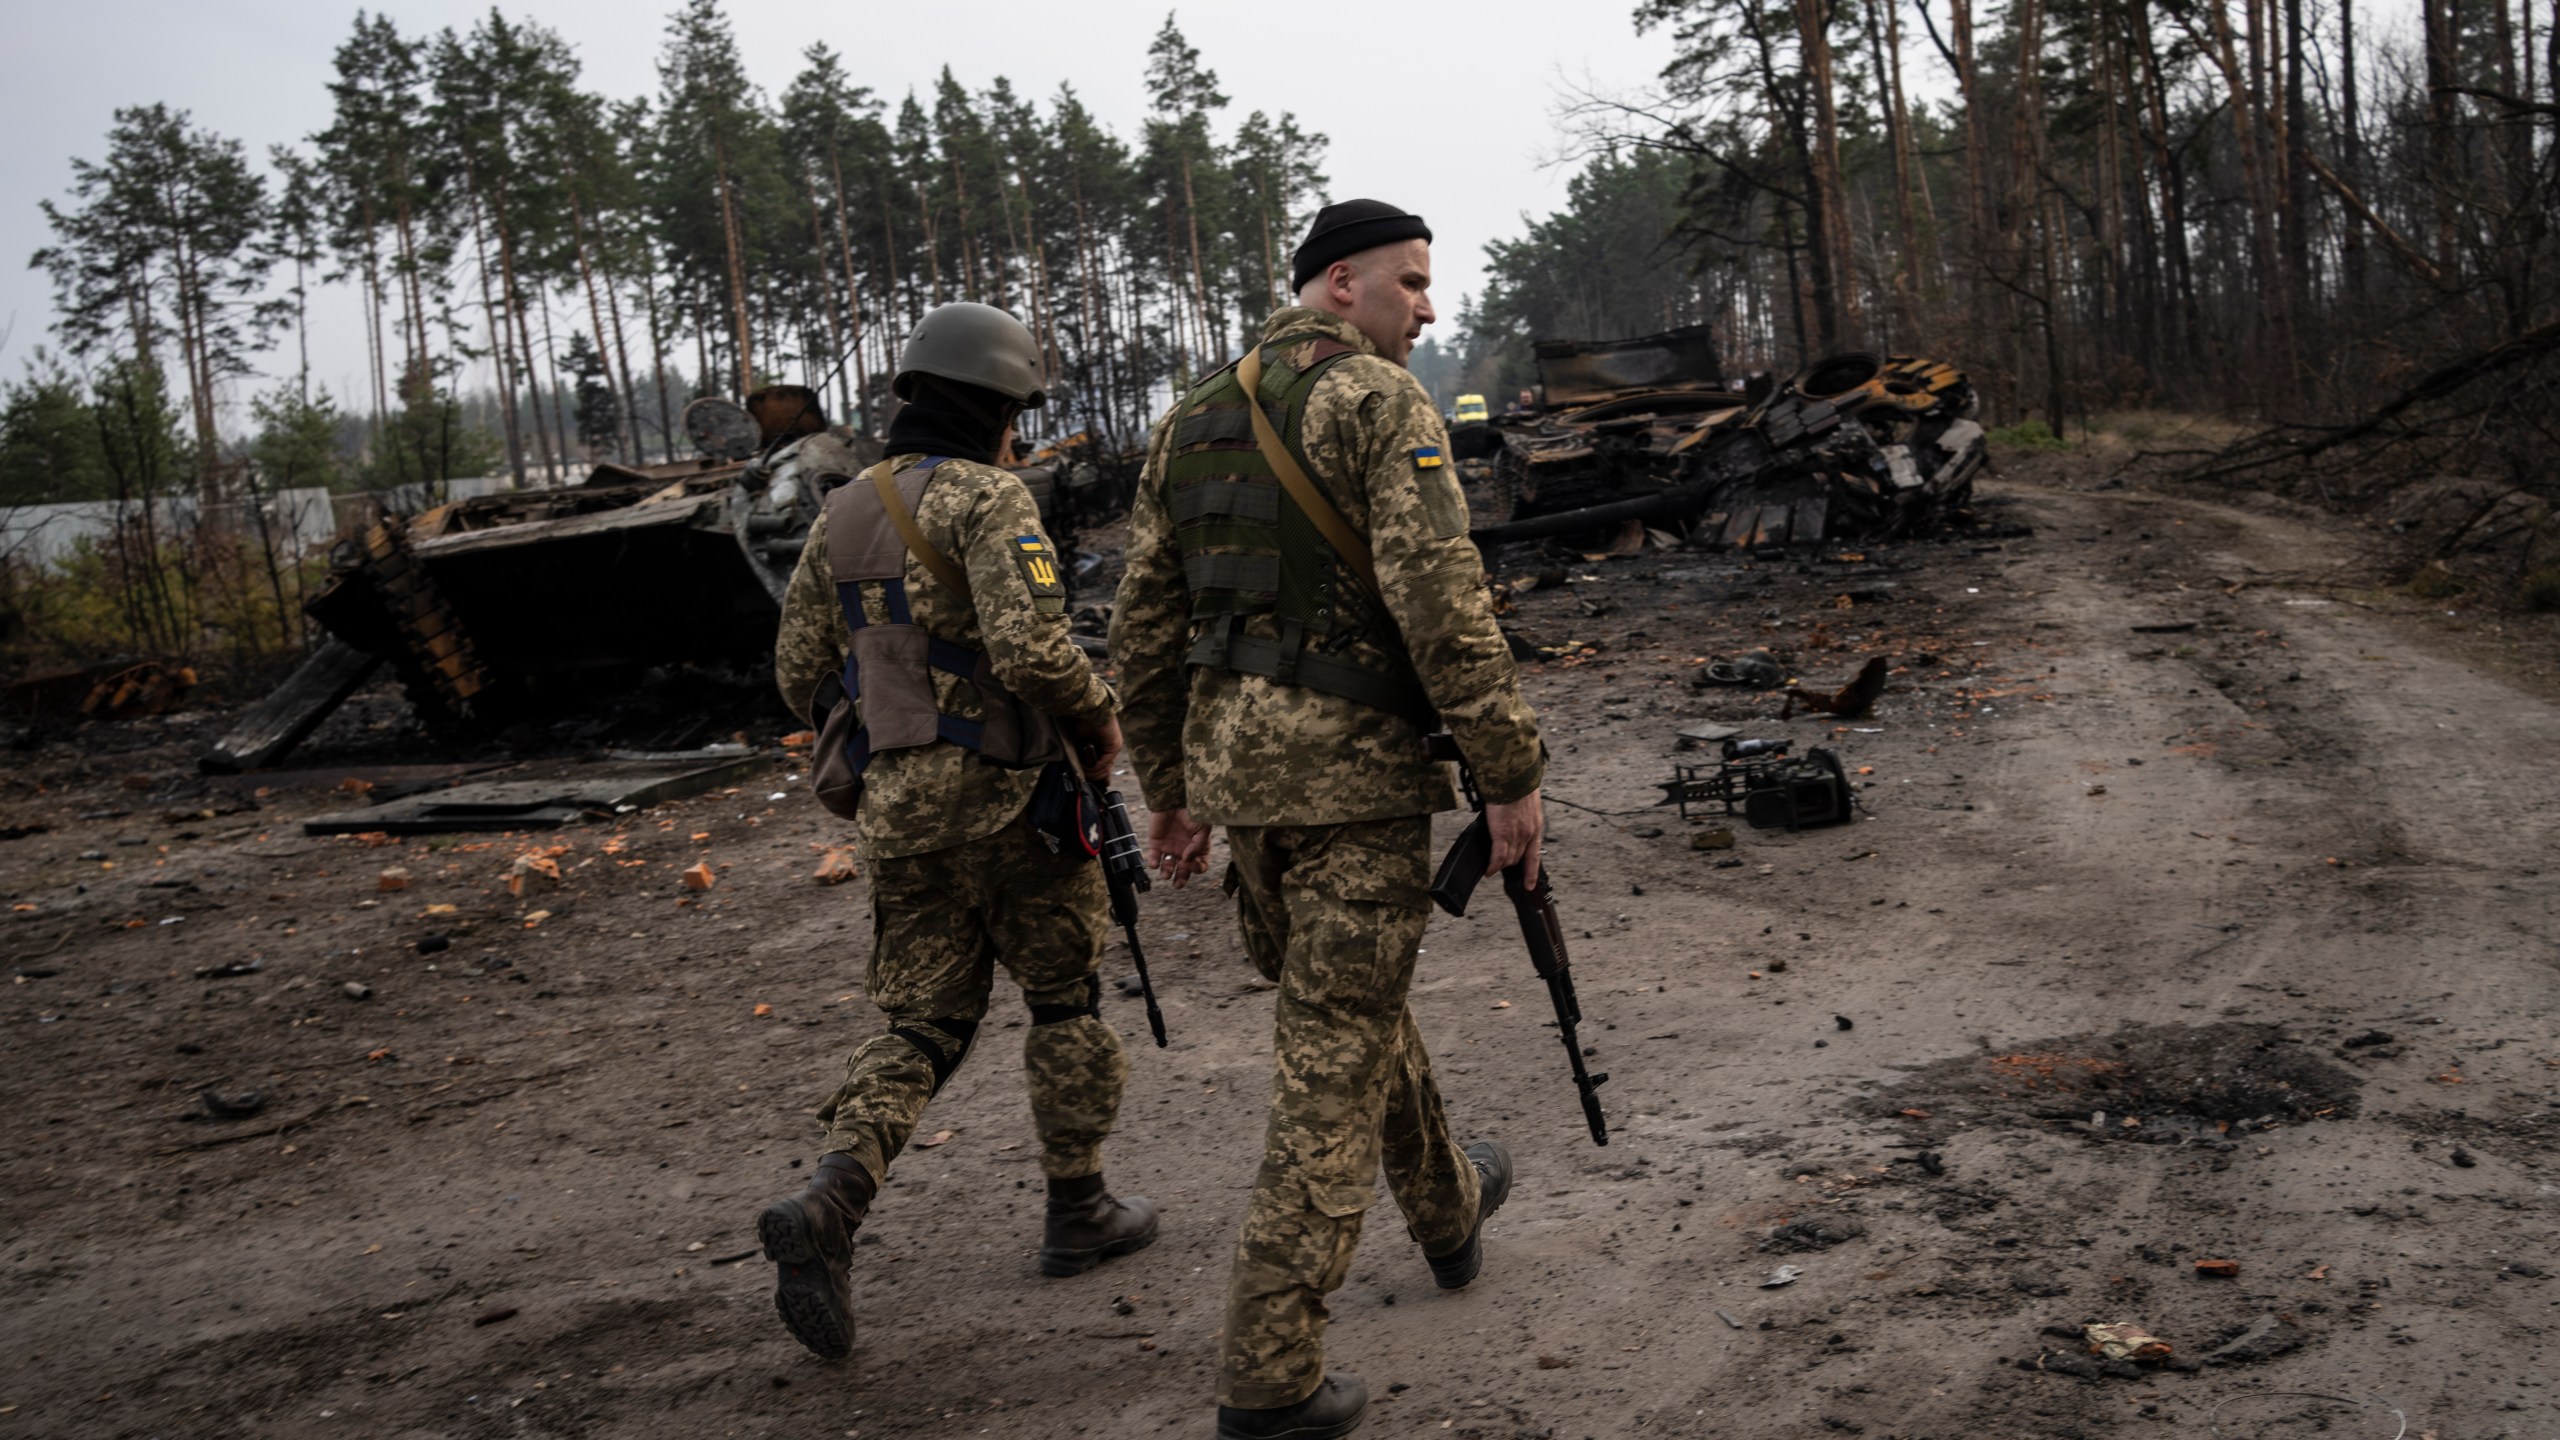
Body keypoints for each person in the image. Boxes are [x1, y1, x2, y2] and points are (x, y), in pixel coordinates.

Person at [1111, 199, 1547, 1440]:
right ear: (1339, 285)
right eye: (1411, 283)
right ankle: (1270, 1370)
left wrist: (1172, 790)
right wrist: (1508, 768)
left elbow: (1142, 624)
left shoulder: (1189, 416)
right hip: (1351, 788)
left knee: (1343, 1020)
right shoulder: (1374, 403)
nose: (1428, 306)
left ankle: (1451, 1210)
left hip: (1246, 794)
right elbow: (1442, 601)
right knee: (1329, 1072)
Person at [758, 301, 1158, 1362]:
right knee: (1065, 1001)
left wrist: (894, 715)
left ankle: (831, 1203)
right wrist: (1100, 712)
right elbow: (1031, 651)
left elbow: (798, 675)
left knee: (922, 1026)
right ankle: (1079, 1211)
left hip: (896, 816)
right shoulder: (994, 501)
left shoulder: (839, 513)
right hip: (1015, 801)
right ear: (998, 408)